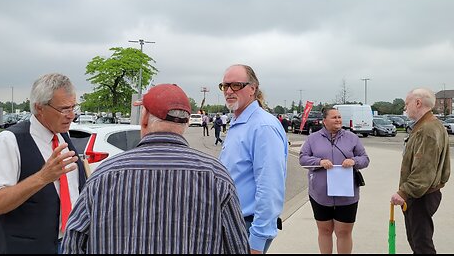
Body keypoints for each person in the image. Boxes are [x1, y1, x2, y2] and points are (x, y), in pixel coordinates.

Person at [61, 83, 249, 254]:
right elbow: (238, 247)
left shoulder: (104, 174)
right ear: (185, 124)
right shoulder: (216, 176)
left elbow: (73, 241)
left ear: (144, 120)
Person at [0, 73, 87, 254]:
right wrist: (42, 177)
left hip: (69, 243)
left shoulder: (62, 136)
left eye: (73, 107)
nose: (71, 115)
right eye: (64, 109)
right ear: (39, 108)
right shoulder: (9, 141)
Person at [218, 64, 288, 254]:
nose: (229, 91)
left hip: (247, 228)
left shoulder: (263, 127)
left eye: (236, 85)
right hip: (231, 223)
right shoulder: (238, 122)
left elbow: (270, 186)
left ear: (253, 89)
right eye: (225, 86)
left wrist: (257, 241)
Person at [299, 107, 369, 254]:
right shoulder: (313, 139)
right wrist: (319, 161)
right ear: (324, 121)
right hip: (320, 194)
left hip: (347, 195)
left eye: (339, 117)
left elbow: (365, 159)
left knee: (343, 232)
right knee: (324, 230)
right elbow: (303, 158)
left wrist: (354, 161)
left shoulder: (352, 138)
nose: (338, 120)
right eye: (334, 117)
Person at [390, 88, 450, 254]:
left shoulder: (427, 130)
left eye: (407, 103)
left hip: (421, 195)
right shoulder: (427, 125)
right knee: (417, 241)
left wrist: (403, 192)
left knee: (422, 245)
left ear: (418, 103)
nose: (405, 107)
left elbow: (424, 170)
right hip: (421, 194)